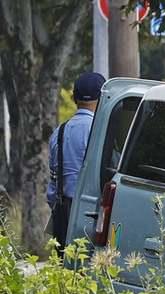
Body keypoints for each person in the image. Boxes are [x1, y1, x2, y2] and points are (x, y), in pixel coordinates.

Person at [47, 72, 105, 255]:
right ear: (103, 99)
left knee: (65, 270)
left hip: (62, 211)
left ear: (74, 98)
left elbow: (53, 181)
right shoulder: (98, 131)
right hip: (91, 212)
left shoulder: (59, 132)